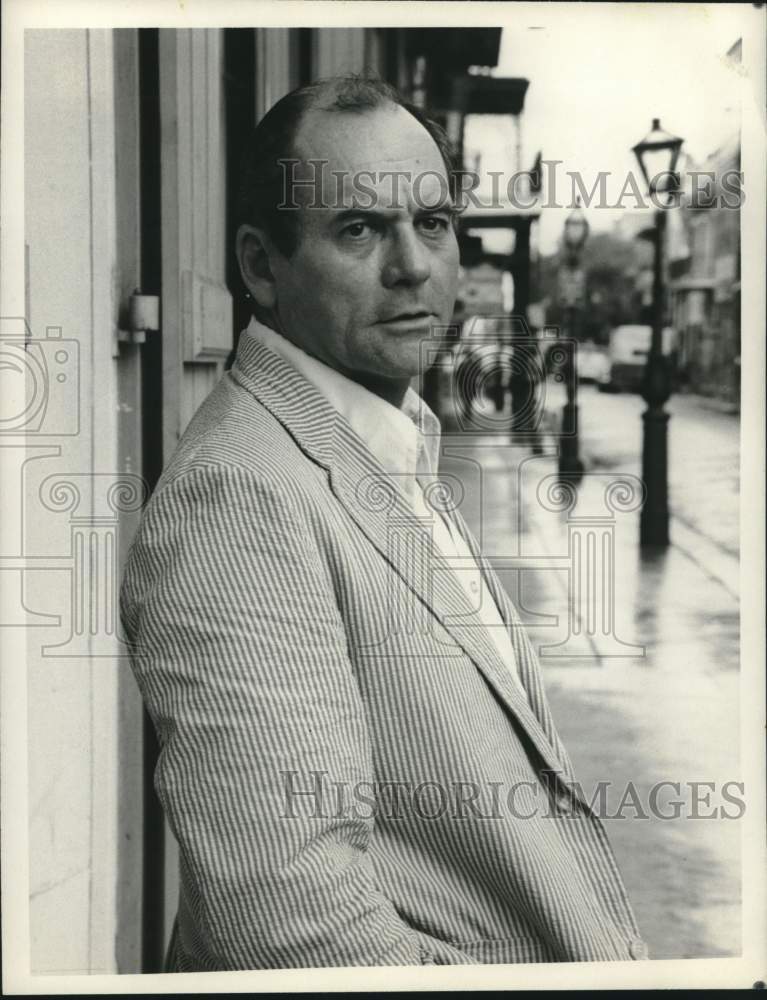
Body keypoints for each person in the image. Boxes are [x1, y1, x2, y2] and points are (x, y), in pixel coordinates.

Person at [120, 76, 647, 971]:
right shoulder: (239, 499)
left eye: (432, 223)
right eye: (359, 229)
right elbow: (292, 928)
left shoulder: (382, 437)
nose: (413, 266)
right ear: (259, 266)